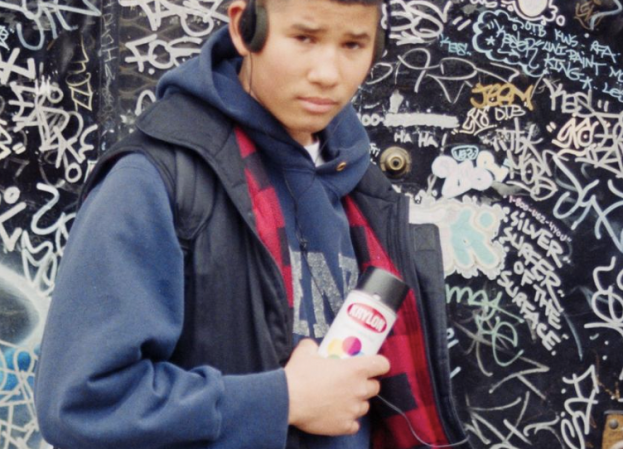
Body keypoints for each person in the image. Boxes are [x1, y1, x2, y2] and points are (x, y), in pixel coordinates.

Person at [34, 0, 466, 447]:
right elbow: (82, 404)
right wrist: (282, 400)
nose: (328, 73)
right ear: (244, 28)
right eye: (304, 38)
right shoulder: (155, 181)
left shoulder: (362, 188)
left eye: (353, 45)